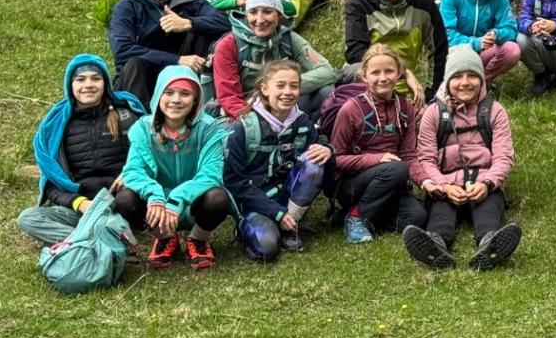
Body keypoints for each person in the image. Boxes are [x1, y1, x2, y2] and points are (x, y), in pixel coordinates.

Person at [404, 45, 523, 271]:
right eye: (457, 76)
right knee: (441, 211)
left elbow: (504, 157)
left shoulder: (495, 111)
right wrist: (444, 186)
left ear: (482, 79)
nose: (465, 82)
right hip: (446, 184)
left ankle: (490, 241)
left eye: (472, 76)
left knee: (488, 209)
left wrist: (487, 184)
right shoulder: (433, 113)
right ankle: (435, 243)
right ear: (448, 81)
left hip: (484, 183)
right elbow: (426, 159)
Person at [17, 54, 143, 246]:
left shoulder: (126, 115)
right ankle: (101, 239)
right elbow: (52, 183)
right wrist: (79, 203)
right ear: (70, 85)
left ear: (105, 83)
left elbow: (150, 156)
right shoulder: (57, 126)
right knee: (28, 218)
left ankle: (92, 237)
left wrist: (131, 172)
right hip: (81, 207)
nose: (88, 85)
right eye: (80, 79)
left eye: (96, 78)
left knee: (128, 199)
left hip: (121, 201)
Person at [117, 64, 231, 270]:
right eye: (169, 92)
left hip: (194, 202)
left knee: (218, 197)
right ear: (158, 95)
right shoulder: (142, 128)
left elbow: (210, 175)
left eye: (185, 94)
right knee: (125, 199)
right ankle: (165, 237)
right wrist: (155, 195)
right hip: (158, 206)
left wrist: (176, 199)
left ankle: (198, 238)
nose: (176, 100)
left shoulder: (209, 128)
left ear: (195, 100)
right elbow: (133, 171)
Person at [224, 59, 333, 261]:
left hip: (288, 198)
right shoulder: (243, 128)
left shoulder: (302, 122)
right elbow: (234, 183)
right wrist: (276, 213)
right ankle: (249, 226)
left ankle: (291, 226)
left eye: (294, 86)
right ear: (265, 88)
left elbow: (320, 142)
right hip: (256, 202)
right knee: (266, 249)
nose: (287, 92)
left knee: (315, 162)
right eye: (280, 85)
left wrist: (327, 149)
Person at [329, 44, 427, 244]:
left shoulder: (406, 108)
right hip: (352, 184)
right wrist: (377, 159)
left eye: (389, 71)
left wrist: (426, 181)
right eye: (375, 72)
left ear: (399, 73)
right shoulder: (351, 109)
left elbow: (409, 155)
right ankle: (356, 217)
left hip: (392, 182)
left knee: (417, 218)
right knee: (397, 168)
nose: (383, 78)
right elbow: (335, 160)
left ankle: (354, 214)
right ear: (364, 76)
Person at [108, 0, 229, 107]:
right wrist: (177, 60)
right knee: (135, 63)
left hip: (187, 71)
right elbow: (122, 50)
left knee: (205, 31)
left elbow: (225, 23)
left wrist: (189, 23)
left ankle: (204, 106)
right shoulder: (127, 6)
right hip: (143, 76)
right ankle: (137, 118)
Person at [211, 0, 336, 119]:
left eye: (267, 11)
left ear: (279, 15)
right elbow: (229, 97)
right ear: (246, 15)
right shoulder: (228, 45)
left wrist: (285, 87)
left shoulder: (289, 39)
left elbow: (327, 71)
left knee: (326, 93)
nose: (260, 20)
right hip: (248, 111)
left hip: (285, 104)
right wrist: (254, 122)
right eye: (253, 12)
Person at [343, 0, 447, 103]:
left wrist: (431, 96)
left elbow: (440, 51)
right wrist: (404, 71)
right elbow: (355, 53)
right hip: (364, 83)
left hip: (404, 90)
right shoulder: (359, 6)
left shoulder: (424, 4)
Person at [440, 0, 521, 85]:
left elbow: (511, 28)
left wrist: (496, 34)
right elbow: (446, 33)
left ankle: (481, 81)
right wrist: (476, 43)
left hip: (483, 52)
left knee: (512, 50)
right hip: (455, 52)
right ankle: (455, 81)